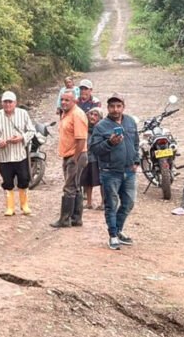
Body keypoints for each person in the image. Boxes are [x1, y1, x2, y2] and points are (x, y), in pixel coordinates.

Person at [90, 93, 140, 250]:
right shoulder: (101, 126)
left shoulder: (130, 122)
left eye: (118, 106)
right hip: (110, 171)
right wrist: (110, 143)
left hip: (129, 170)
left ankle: (118, 230)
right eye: (112, 106)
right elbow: (95, 149)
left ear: (123, 107)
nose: (115, 109)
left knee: (129, 202)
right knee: (111, 204)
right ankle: (112, 235)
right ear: (108, 108)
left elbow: (136, 143)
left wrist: (136, 160)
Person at [0, 90, 36, 215]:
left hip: (20, 154)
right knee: (7, 181)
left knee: (24, 179)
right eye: (5, 102)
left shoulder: (23, 113)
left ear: (15, 103)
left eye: (10, 102)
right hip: (5, 155)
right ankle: (10, 207)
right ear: (2, 103)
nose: (8, 104)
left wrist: (22, 137)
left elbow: (31, 130)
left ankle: (24, 205)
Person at [51, 89, 88, 228]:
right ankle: (76, 218)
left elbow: (81, 139)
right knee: (75, 186)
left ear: (75, 101)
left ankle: (65, 219)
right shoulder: (66, 113)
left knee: (69, 187)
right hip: (69, 154)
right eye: (62, 99)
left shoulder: (77, 114)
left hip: (76, 155)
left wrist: (75, 158)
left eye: (67, 100)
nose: (64, 102)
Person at [81, 107, 104, 210]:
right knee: (87, 181)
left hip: (100, 158)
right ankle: (89, 202)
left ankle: (103, 202)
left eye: (96, 115)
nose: (92, 117)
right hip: (88, 157)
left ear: (100, 118)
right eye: (91, 114)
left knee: (102, 181)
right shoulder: (84, 127)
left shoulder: (102, 128)